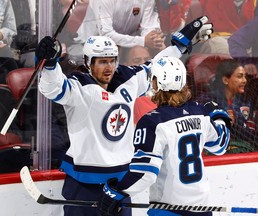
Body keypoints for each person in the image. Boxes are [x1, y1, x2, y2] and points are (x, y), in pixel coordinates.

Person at [36, 16, 213, 216]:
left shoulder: (128, 79)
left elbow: (156, 65)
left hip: (119, 183)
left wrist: (179, 46)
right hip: (84, 182)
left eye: (112, 60)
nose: (109, 67)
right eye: (102, 62)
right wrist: (50, 64)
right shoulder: (78, 87)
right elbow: (52, 87)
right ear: (87, 62)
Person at [97, 56, 231, 216]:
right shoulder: (199, 112)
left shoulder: (152, 122)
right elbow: (220, 145)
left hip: (169, 211)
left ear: (157, 83)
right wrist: (219, 116)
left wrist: (117, 191)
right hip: (202, 209)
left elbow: (145, 173)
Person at [68, 0, 166, 63]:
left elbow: (147, 27)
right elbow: (106, 35)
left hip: (126, 45)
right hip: (88, 45)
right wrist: (143, 41)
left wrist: (154, 39)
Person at [196, 58, 257, 153]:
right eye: (240, 76)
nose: (245, 80)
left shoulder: (245, 102)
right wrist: (221, 121)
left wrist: (236, 123)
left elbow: (252, 135)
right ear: (225, 80)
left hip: (242, 153)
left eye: (245, 76)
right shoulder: (207, 100)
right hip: (214, 154)